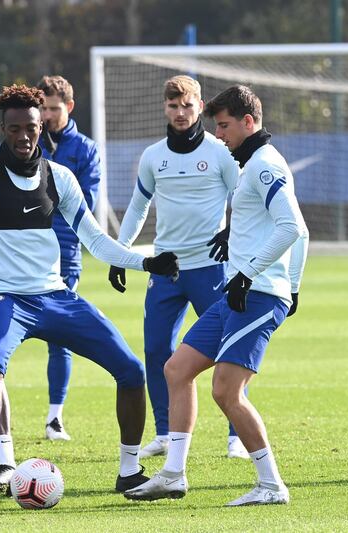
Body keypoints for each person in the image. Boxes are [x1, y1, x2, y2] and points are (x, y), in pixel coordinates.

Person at [0, 84, 180, 495]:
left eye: (30, 127)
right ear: (3, 128)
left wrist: (145, 261)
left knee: (131, 370)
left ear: (41, 125)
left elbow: (95, 239)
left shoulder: (60, 178)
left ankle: (128, 469)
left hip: (56, 296)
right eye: (14, 128)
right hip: (4, 298)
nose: (23, 136)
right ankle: (5, 466)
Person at [124, 85, 309, 506]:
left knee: (226, 391)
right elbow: (289, 228)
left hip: (259, 295)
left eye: (224, 126)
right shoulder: (250, 163)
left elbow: (292, 227)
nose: (219, 135)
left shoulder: (264, 166)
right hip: (239, 292)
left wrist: (255, 276)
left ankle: (271, 485)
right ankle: (173, 474)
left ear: (248, 122)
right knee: (177, 368)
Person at [0, 75, 101, 441]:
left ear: (69, 108)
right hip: (18, 257)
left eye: (53, 109)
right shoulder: (25, 140)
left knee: (59, 340)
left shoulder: (83, 150)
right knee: (1, 325)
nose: (47, 117)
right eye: (43, 109)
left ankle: (54, 416)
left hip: (63, 253)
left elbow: (88, 205)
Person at [108, 75, 249, 459]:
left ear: (199, 106)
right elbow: (138, 206)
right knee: (157, 350)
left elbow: (245, 196)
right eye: (173, 106)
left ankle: (237, 436)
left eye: (187, 105)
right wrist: (122, 252)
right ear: (164, 108)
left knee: (229, 349)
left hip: (212, 269)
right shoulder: (153, 155)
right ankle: (166, 432)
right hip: (166, 271)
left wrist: (232, 230)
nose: (181, 112)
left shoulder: (220, 152)